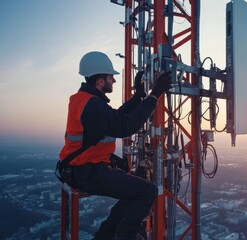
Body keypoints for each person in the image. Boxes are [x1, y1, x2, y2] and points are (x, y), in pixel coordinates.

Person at [58, 51, 172, 240]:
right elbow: (124, 126)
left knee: (134, 188)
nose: (114, 81)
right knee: (147, 191)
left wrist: (138, 98)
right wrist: (154, 96)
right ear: (100, 81)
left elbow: (115, 118)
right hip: (88, 173)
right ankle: (123, 236)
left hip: (82, 169)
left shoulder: (86, 101)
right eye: (111, 77)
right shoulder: (92, 105)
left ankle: (105, 235)